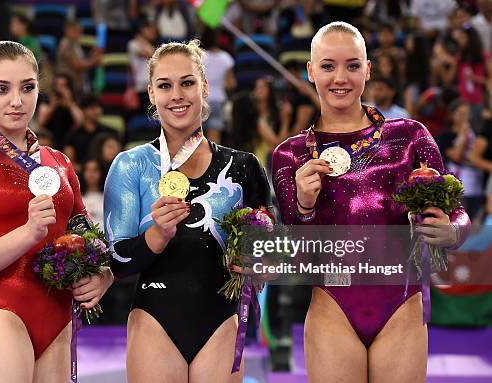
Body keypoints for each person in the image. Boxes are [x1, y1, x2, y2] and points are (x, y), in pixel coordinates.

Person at [271, 22, 471, 383]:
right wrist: (302, 205)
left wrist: (451, 231)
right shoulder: (291, 155)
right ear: (311, 71)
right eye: (328, 66)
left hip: (401, 306)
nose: (340, 77)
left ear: (368, 69)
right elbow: (299, 256)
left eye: (352, 65)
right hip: (333, 306)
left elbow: (456, 214)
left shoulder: (410, 137)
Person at [0, 41, 113, 382]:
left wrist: (103, 275)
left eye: (27, 87)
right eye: (1, 89)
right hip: (2, 317)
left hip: (59, 321)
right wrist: (27, 233)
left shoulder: (60, 163)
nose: (16, 101)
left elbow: (86, 233)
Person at [104, 40, 271, 382]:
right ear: (151, 93)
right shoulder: (131, 165)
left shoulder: (244, 167)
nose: (176, 94)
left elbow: (273, 252)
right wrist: (155, 235)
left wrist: (265, 263)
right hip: (155, 320)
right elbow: (117, 262)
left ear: (205, 86)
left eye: (187, 82)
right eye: (165, 86)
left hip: (223, 322)